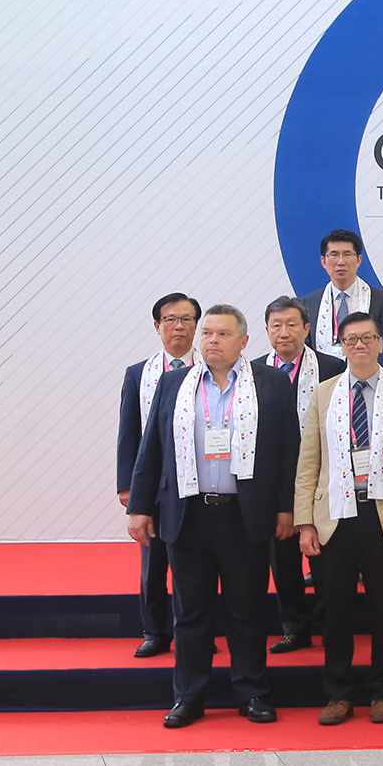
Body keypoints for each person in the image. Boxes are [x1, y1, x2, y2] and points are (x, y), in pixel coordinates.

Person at [127, 305, 299, 728]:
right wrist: (139, 508)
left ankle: (252, 693)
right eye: (207, 333)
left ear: (244, 342)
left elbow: (287, 449)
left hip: (245, 516)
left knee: (247, 611)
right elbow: (152, 450)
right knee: (190, 614)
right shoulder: (174, 383)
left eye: (222, 334)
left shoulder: (271, 383)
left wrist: (287, 507)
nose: (211, 340)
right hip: (188, 515)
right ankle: (188, 697)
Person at [294, 312, 383, 725]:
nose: (360, 346)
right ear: (342, 346)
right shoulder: (323, 394)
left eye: (368, 338)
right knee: (335, 610)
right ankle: (338, 693)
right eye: (351, 340)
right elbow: (308, 462)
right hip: (334, 515)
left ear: (381, 343)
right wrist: (305, 521)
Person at [255, 296, 346, 654]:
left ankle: (328, 623)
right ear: (266, 331)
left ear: (307, 329)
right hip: (275, 479)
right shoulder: (254, 371)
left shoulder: (332, 367)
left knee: (323, 557)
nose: (284, 332)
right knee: (283, 558)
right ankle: (295, 626)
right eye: (276, 325)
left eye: (292, 324)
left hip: (323, 477)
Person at [117, 292, 200, 659]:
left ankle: (194, 630)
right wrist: (128, 486)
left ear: (196, 326)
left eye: (186, 319)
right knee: (154, 565)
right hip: (154, 484)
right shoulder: (139, 374)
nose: (178, 326)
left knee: (195, 564)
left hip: (198, 483)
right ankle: (155, 631)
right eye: (171, 319)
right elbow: (128, 432)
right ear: (157, 326)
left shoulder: (213, 371)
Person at [301, 229, 383, 358]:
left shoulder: (381, 300)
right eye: (334, 255)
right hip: (322, 370)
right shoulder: (310, 302)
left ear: (358, 260)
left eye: (347, 255)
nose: (341, 262)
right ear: (323, 261)